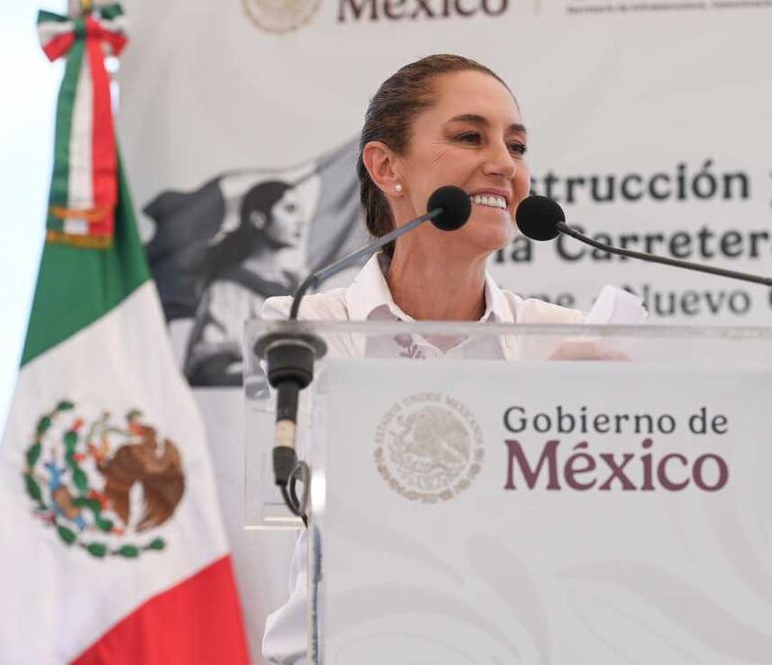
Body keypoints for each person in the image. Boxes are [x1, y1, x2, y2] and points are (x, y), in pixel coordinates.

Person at [260, 54, 642, 664]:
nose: (503, 164)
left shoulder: (563, 340)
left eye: (516, 146)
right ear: (387, 166)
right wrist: (530, 417)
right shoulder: (303, 331)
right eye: (470, 137)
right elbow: (364, 509)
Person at [184, 180, 304, 386]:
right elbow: (210, 367)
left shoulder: (299, 286)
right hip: (244, 407)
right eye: (289, 209)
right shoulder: (228, 289)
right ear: (258, 218)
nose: (300, 220)